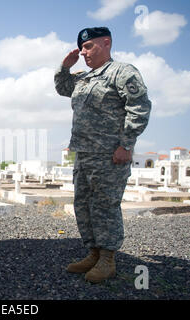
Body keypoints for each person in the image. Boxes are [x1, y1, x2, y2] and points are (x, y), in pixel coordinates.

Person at [54, 27, 151, 284]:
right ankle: (94, 253)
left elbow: (139, 108)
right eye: (82, 48)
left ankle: (108, 259)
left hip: (109, 155)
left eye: (89, 47)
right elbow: (63, 88)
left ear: (106, 43)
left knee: (105, 206)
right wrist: (64, 67)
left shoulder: (122, 72)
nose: (84, 52)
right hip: (84, 155)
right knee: (83, 205)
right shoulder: (84, 78)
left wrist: (126, 145)